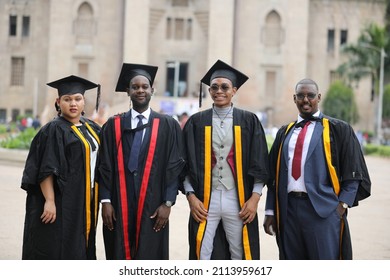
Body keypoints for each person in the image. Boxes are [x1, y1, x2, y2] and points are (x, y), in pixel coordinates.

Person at [263, 78, 371, 260]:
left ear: (318, 97)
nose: (306, 100)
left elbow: (353, 172)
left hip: (322, 211)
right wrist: (270, 211)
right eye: (300, 96)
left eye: (310, 95)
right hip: (288, 210)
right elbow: (273, 177)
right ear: (294, 98)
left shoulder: (338, 129)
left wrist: (341, 206)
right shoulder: (284, 132)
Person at [181, 59, 269, 260]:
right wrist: (191, 196)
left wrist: (254, 199)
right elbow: (183, 162)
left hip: (237, 198)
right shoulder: (196, 122)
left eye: (224, 87)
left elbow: (260, 162)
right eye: (214, 87)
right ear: (209, 90)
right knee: (201, 250)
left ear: (234, 90)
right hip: (204, 198)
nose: (219, 91)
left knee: (239, 252)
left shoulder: (248, 121)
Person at [98, 63, 185, 260]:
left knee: (150, 254)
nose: (140, 90)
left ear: (152, 90)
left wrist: (168, 203)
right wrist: (106, 200)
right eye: (135, 87)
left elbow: (174, 166)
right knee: (119, 251)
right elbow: (105, 165)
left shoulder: (167, 125)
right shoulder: (114, 125)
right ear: (128, 91)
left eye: (144, 87)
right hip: (119, 202)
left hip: (154, 205)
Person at [20, 75, 101, 259]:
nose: (73, 103)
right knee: (59, 245)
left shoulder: (91, 128)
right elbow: (46, 167)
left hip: (85, 200)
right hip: (61, 200)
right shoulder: (53, 130)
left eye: (77, 99)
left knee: (81, 244)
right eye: (67, 99)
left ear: (83, 101)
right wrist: (49, 200)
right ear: (58, 102)